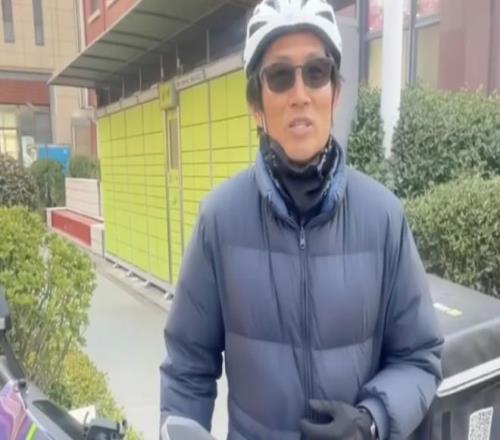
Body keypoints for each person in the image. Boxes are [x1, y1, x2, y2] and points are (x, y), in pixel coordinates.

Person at [160, 0, 444, 438]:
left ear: (335, 94)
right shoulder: (219, 220)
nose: (300, 94)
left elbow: (420, 356)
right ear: (256, 104)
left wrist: (371, 421)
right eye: (279, 76)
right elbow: (187, 369)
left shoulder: (383, 217)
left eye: (316, 72)